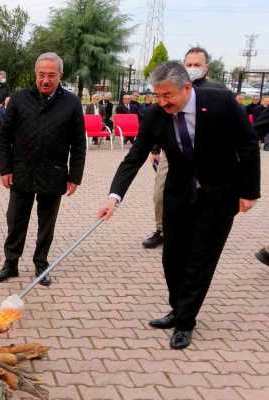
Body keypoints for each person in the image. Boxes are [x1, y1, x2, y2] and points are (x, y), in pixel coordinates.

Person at [97, 62, 260, 350]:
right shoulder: (156, 115)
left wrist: (249, 192)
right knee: (172, 259)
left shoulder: (220, 102)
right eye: (157, 96)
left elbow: (247, 144)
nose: (162, 102)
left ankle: (185, 322)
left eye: (167, 96)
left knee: (200, 260)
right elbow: (134, 157)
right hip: (179, 194)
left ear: (187, 88)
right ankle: (177, 308)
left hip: (219, 194)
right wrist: (114, 197)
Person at [0, 52, 86, 286]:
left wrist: (75, 176)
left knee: (47, 224)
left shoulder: (71, 102)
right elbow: (4, 139)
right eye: (41, 75)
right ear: (35, 74)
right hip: (21, 171)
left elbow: (79, 143)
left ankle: (41, 264)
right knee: (15, 220)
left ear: (60, 75)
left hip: (54, 173)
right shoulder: (20, 99)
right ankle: (10, 263)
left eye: (51, 75)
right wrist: (5, 169)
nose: (45, 80)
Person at [141, 46, 226, 249]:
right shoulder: (170, 87)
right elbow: (158, 121)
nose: (193, 68)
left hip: (206, 155)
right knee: (161, 191)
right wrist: (154, 149)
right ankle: (162, 229)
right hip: (173, 152)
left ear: (206, 66)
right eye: (189, 64)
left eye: (197, 64)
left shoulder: (218, 92)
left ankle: (199, 229)